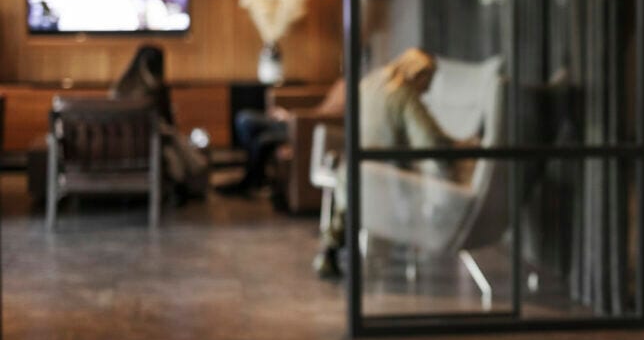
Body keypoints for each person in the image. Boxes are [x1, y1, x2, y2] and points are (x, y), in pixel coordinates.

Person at [313, 47, 457, 279]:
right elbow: (429, 140)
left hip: (351, 170)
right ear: (418, 73)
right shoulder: (403, 94)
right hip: (386, 176)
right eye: (428, 80)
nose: (428, 88)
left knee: (347, 206)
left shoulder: (368, 84)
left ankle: (331, 249)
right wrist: (456, 150)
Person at [111, 45, 208, 202]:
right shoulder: (151, 92)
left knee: (170, 145)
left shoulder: (119, 89)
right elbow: (168, 123)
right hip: (146, 146)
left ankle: (189, 178)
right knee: (170, 145)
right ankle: (192, 175)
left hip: (129, 148)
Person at [217, 79, 346, 196]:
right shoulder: (342, 83)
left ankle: (252, 179)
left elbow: (326, 118)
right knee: (247, 122)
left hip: (302, 127)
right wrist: (290, 115)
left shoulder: (350, 87)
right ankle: (254, 177)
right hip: (299, 123)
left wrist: (290, 117)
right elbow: (319, 112)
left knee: (255, 130)